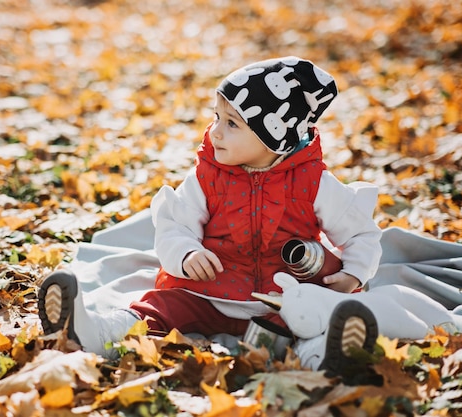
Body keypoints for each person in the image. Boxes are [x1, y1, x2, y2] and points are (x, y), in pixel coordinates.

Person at [38, 56, 383, 372]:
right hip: (208, 293)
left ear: (273, 140)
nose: (215, 131)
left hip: (285, 300)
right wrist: (187, 254)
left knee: (314, 318)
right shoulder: (207, 177)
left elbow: (360, 233)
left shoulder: (313, 182)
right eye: (217, 117)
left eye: (232, 124)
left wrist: (353, 273)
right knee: (159, 307)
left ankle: (326, 357)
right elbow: (175, 224)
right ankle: (95, 332)